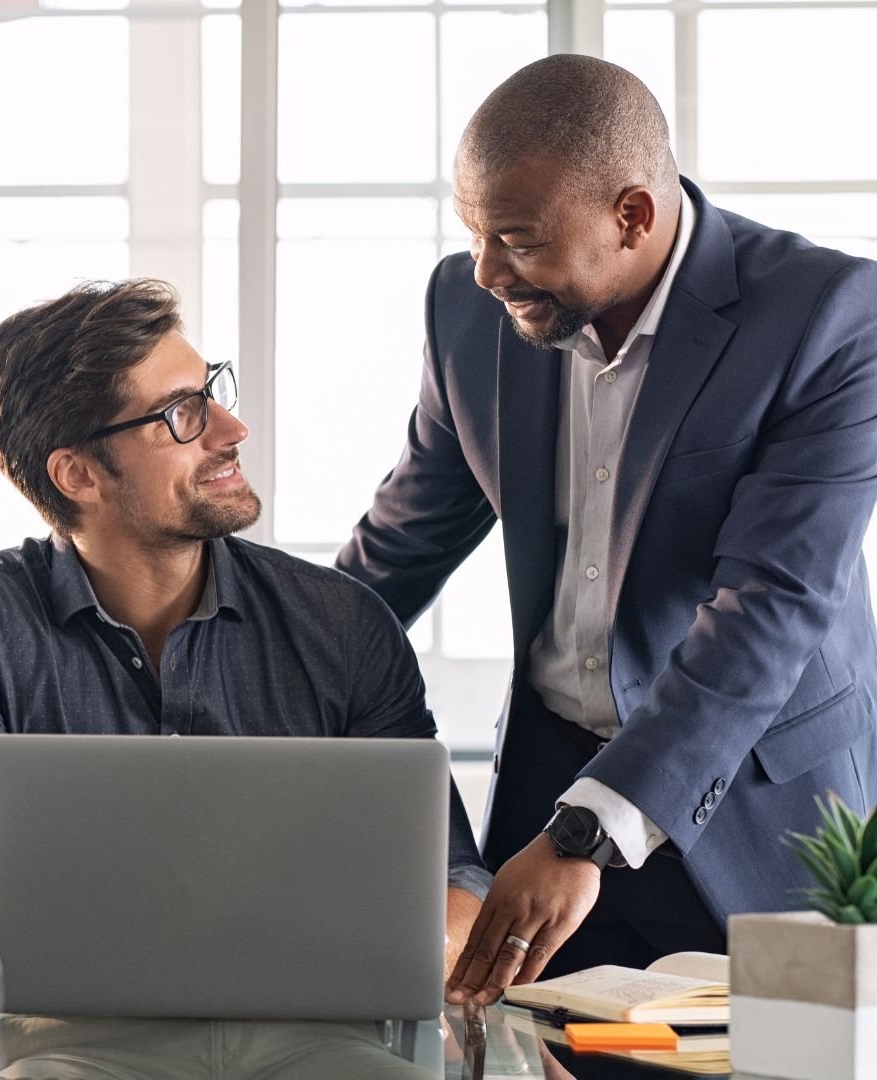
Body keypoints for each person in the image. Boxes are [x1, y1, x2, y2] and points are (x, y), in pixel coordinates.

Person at [336, 54, 877, 1004]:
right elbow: (399, 544)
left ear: (632, 215)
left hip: (753, 804)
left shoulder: (830, 316)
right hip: (546, 791)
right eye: (472, 233)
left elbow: (771, 605)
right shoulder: (467, 311)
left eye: (515, 239)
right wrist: (236, 654)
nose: (484, 270)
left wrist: (587, 832)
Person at [0, 277, 490, 972]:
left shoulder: (344, 624)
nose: (232, 431)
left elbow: (454, 882)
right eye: (180, 414)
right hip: (67, 1050)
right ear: (77, 475)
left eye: (213, 392)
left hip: (309, 1038)